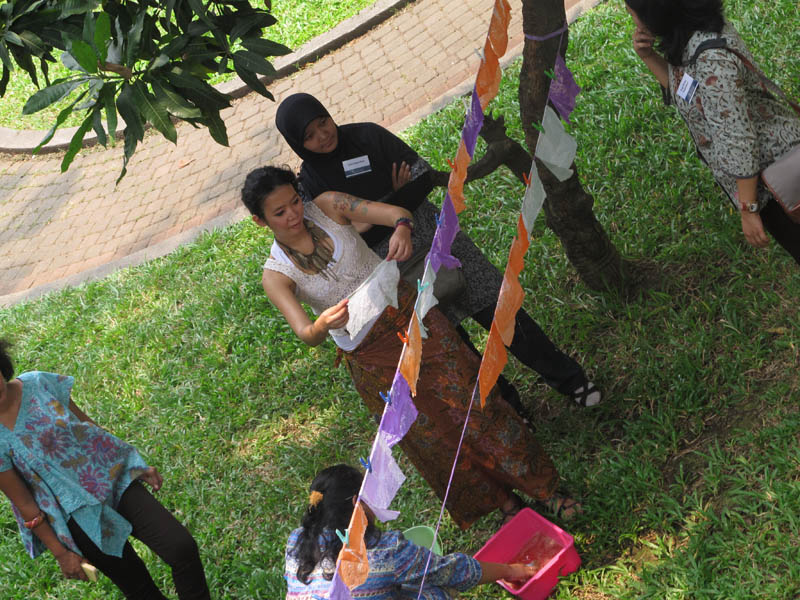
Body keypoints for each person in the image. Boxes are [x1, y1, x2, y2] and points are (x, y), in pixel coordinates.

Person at [241, 166, 581, 528]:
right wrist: (322, 324)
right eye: (279, 212)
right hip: (371, 358)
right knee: (431, 435)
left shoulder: (327, 205)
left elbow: (396, 214)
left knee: (475, 402)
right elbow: (306, 332)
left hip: (412, 319)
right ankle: (504, 503)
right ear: (261, 221)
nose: (294, 214)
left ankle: (544, 488)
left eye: (295, 201)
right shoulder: (276, 275)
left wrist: (402, 228)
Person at [274, 93, 601, 407]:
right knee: (456, 344)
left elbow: (422, 177)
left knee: (501, 312)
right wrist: (393, 199)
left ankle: (570, 380)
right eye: (309, 136)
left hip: (439, 240)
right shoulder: (309, 184)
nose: (322, 135)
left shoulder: (367, 136)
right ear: (297, 143)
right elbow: (339, 237)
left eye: (323, 122)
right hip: (395, 267)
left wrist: (369, 217)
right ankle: (512, 408)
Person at [0, 339, 211, 599]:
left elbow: (90, 429)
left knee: (181, 548)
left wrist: (133, 464)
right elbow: (24, 503)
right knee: (140, 589)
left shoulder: (39, 383)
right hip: (75, 516)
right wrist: (61, 553)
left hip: (111, 480)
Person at [625, 0, 800, 264]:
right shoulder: (695, 33)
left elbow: (738, 139)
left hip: (777, 178)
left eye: (634, 15)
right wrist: (648, 56)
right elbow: (690, 94)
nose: (635, 23)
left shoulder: (711, 60)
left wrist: (748, 208)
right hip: (772, 171)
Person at [285, 464, 540, 600]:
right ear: (357, 503)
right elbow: (453, 571)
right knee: (434, 592)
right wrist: (512, 570)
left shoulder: (296, 541)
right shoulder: (385, 553)